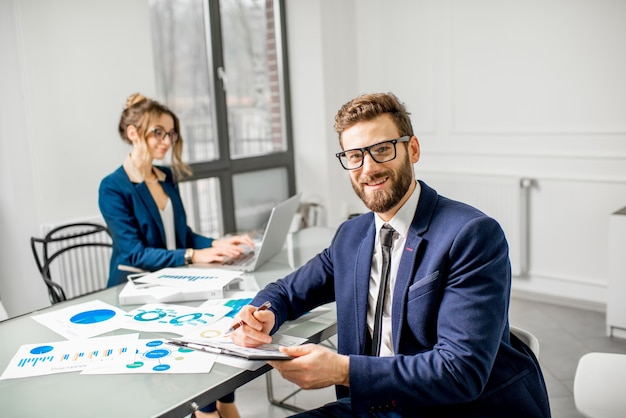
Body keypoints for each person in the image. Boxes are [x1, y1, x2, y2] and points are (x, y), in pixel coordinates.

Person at [229, 92, 551, 417]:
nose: (368, 168)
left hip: (456, 408)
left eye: (382, 149)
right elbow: (287, 290)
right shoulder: (350, 237)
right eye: (354, 155)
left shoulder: (471, 235)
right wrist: (263, 311)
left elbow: (461, 372)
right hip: (376, 405)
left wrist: (343, 370)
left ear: (412, 150)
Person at [99, 93, 251, 418]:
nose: (167, 141)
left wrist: (220, 244)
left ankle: (222, 402)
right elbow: (135, 253)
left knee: (225, 327)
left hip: (177, 280)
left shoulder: (166, 178)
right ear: (133, 133)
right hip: (137, 291)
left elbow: (184, 236)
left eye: (171, 133)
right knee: (203, 349)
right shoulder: (113, 187)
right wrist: (193, 255)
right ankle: (208, 409)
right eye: (159, 132)